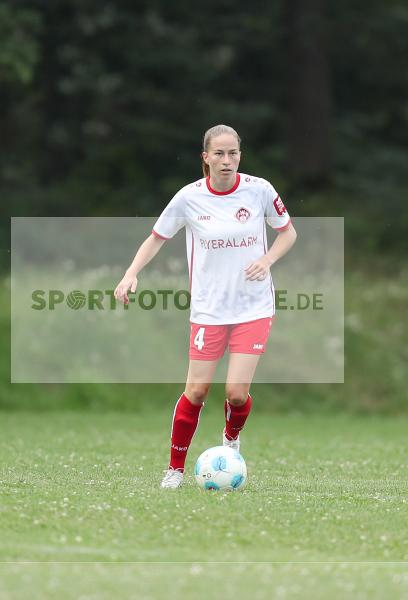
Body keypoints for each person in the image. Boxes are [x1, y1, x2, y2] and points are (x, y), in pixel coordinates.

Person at [114, 124, 298, 489]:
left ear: (240, 156)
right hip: (209, 310)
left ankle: (231, 438)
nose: (227, 160)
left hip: (253, 307)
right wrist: (130, 273)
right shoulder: (189, 198)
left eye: (233, 153)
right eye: (219, 154)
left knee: (236, 394)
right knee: (196, 391)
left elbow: (288, 232)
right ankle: (174, 470)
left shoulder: (259, 190)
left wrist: (267, 260)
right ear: (206, 157)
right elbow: (156, 238)